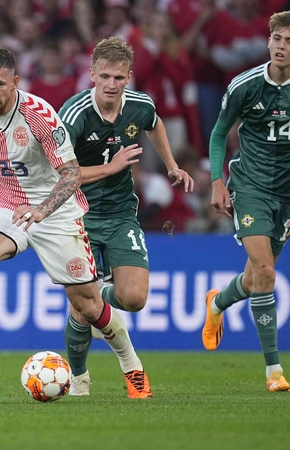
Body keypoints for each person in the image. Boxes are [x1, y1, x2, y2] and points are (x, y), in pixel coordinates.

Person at [0, 46, 150, 399]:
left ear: (15, 82)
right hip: (10, 206)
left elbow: (71, 174)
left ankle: (132, 368)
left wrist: (42, 210)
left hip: (57, 211)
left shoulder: (40, 114)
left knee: (88, 305)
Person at [203, 10, 290, 392]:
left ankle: (216, 304)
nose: (281, 46)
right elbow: (218, 135)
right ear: (268, 41)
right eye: (276, 38)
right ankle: (273, 371)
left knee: (253, 277)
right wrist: (217, 182)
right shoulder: (245, 84)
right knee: (265, 271)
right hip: (250, 188)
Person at [58, 36, 193, 397]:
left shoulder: (139, 106)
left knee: (133, 298)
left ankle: (91, 296)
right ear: (91, 75)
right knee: (83, 308)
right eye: (104, 77)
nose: (111, 85)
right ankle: (80, 379)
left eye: (118, 78)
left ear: (129, 77)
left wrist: (172, 165)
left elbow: (156, 124)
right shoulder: (72, 116)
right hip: (76, 218)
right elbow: (60, 173)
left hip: (120, 216)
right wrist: (110, 167)